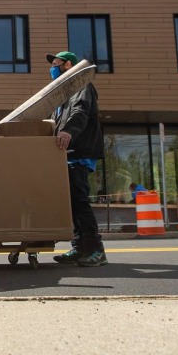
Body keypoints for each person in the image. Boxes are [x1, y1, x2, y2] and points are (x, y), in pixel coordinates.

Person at [47, 51, 107, 267]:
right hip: (69, 153)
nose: (52, 68)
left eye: (55, 64)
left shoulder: (81, 86)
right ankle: (80, 247)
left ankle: (96, 250)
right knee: (72, 203)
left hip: (80, 153)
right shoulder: (64, 94)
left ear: (68, 64)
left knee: (79, 201)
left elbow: (80, 112)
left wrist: (69, 131)